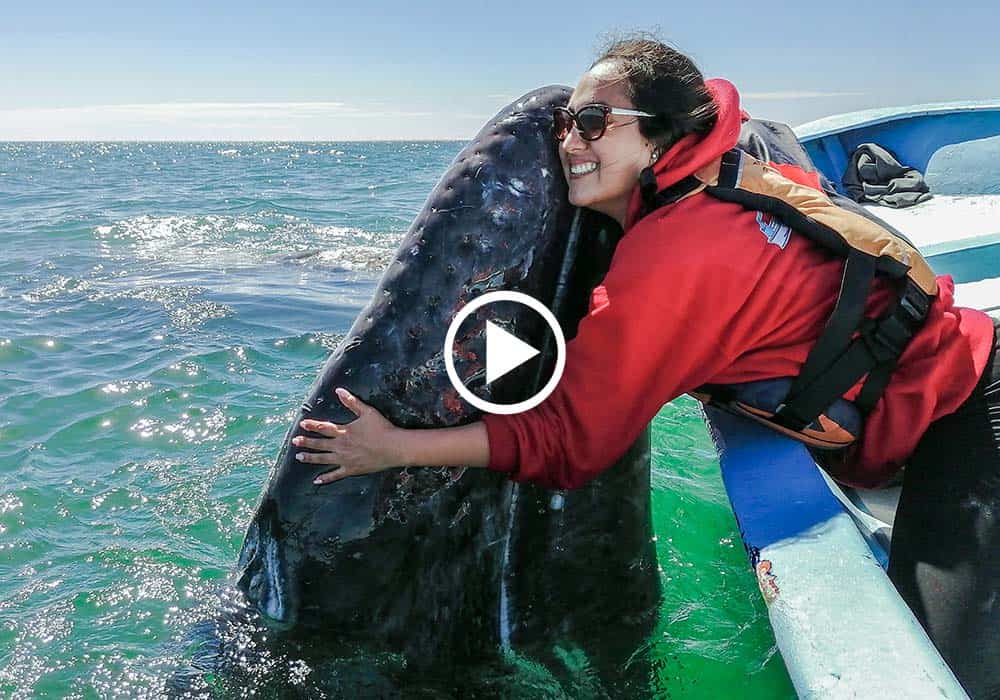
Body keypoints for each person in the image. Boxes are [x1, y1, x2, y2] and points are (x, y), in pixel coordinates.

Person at [292, 36, 1000, 697]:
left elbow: (570, 445)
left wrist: (394, 449)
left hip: (968, 417)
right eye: (568, 122)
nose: (568, 140)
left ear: (662, 133)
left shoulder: (672, 260)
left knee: (949, 670)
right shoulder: (726, 177)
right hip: (940, 389)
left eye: (596, 122)